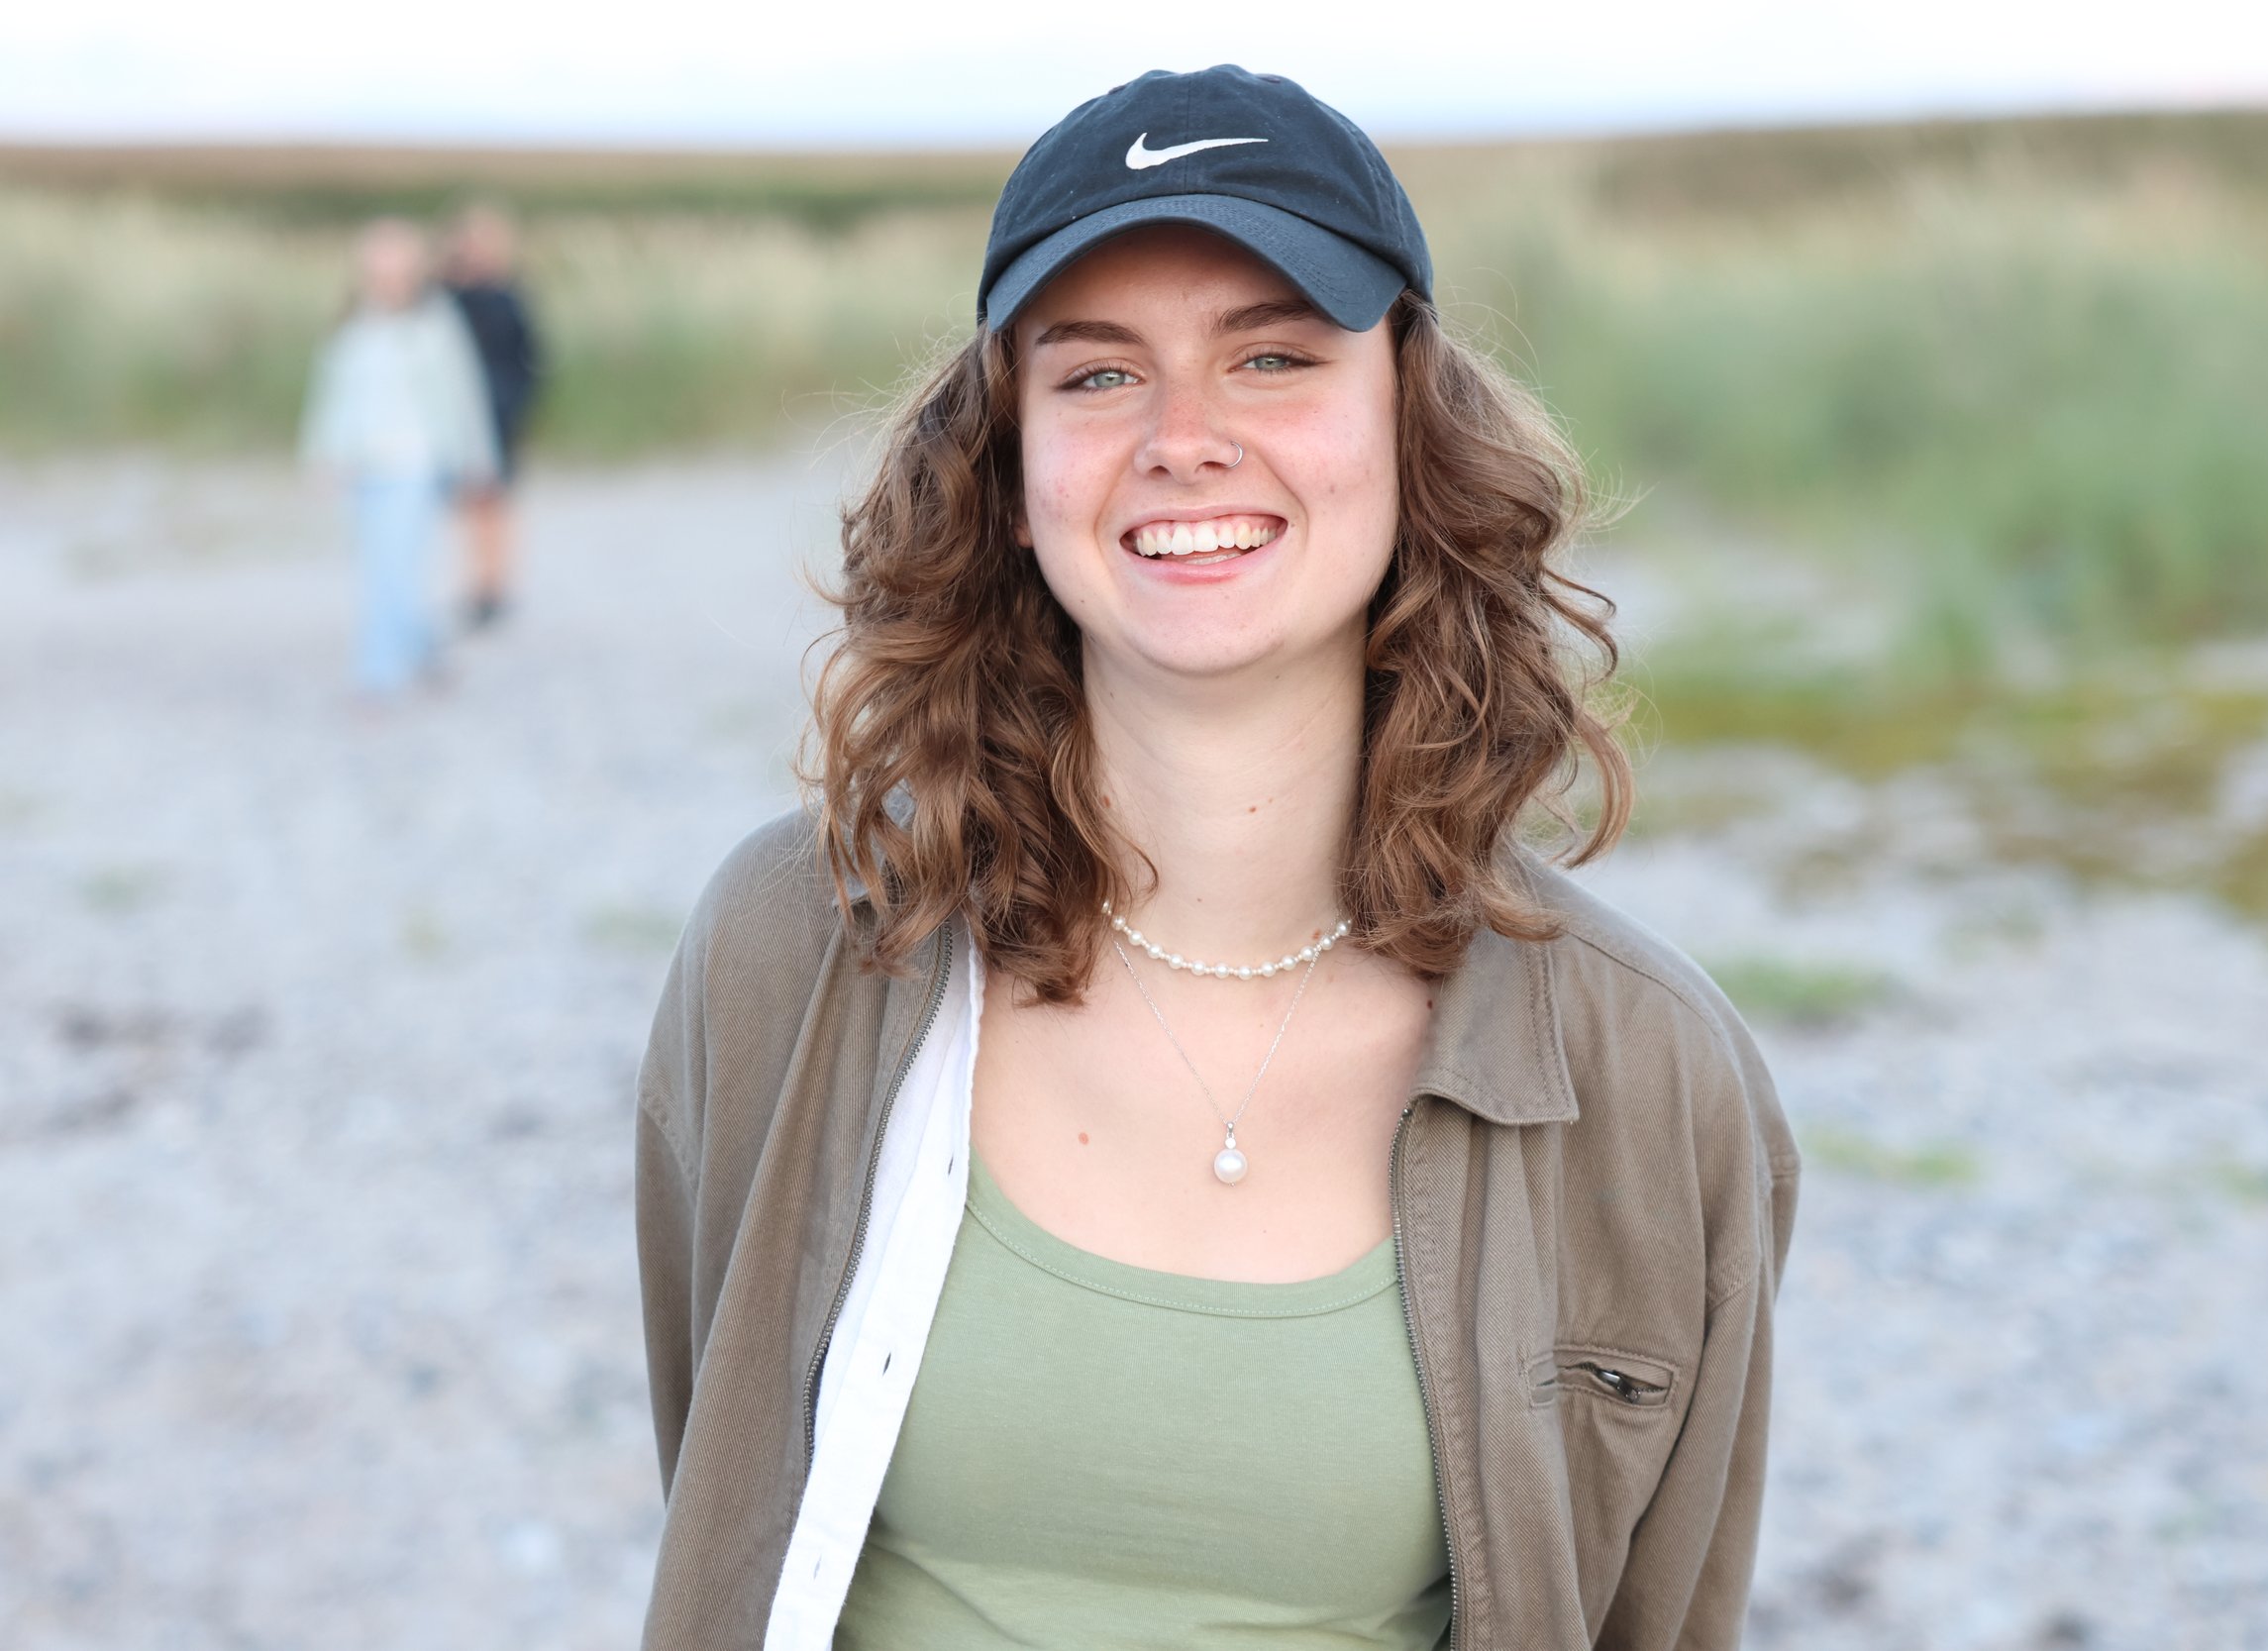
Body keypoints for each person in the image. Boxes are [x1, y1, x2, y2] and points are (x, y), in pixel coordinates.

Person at [635, 65, 1798, 1651]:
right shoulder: (804, 944)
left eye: (1272, 357)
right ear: (1009, 467)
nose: (1185, 440)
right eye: (1099, 375)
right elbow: (726, 1509)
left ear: (1409, 419)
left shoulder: (1649, 1076)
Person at [298, 218, 496, 698]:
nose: (383, 264)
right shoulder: (354, 320)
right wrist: (320, 455)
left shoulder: (434, 321)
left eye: (392, 253)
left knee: (393, 571)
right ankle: (427, 653)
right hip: (362, 465)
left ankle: (376, 676)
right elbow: (332, 395)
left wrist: (478, 461)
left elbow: (462, 392)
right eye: (375, 254)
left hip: (416, 463)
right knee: (383, 567)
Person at [441, 202, 544, 630]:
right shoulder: (446, 295)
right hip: (455, 414)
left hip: (498, 412)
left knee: (494, 501)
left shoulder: (510, 295)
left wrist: (515, 401)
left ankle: (494, 585)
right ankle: (475, 583)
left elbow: (531, 356)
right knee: (468, 502)